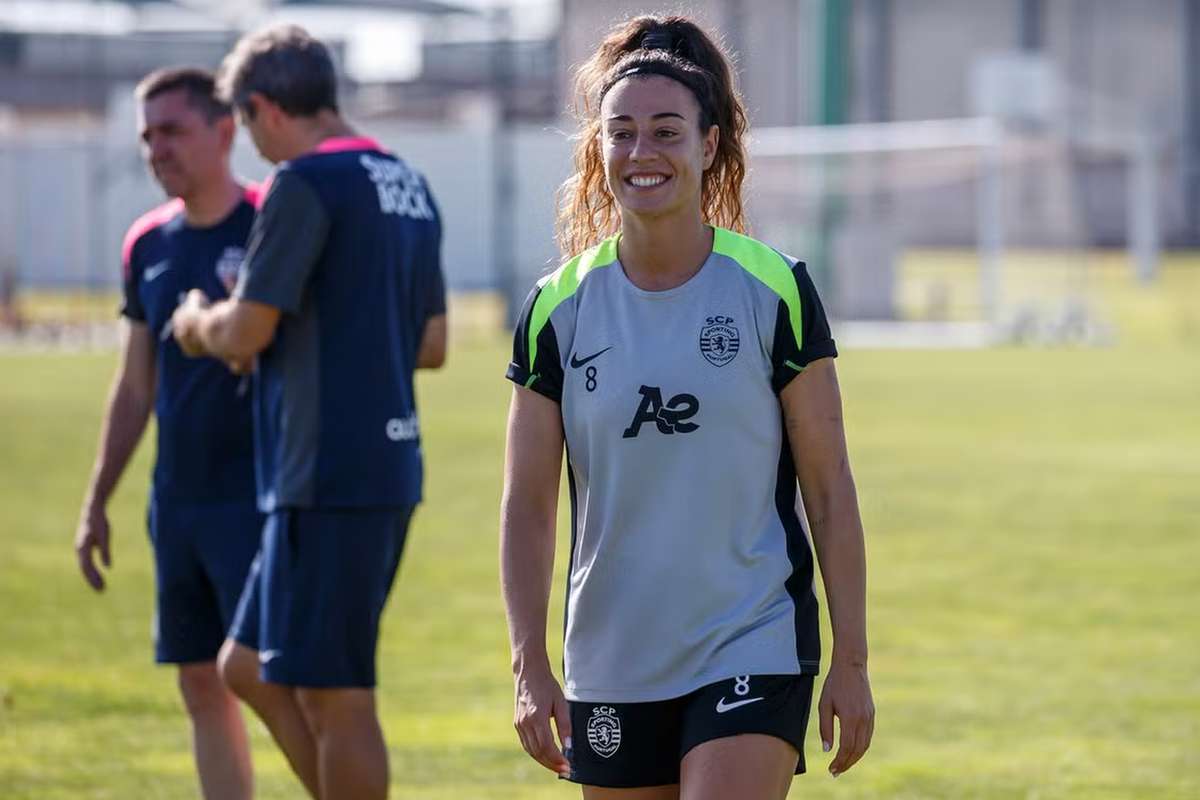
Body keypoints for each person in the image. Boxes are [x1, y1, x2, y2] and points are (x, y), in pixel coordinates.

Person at [500, 15, 874, 799]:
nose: (643, 153)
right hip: (612, 653)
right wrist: (530, 666)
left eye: (667, 132)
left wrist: (852, 660)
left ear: (708, 146)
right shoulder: (554, 310)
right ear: (598, 151)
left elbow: (830, 489)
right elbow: (527, 507)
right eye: (623, 133)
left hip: (751, 638)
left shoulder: (774, 290)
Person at [170, 25, 447, 800]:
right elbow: (432, 343)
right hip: (373, 463)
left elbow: (246, 330)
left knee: (336, 694)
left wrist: (196, 320)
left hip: (328, 470)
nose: (254, 144)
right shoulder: (407, 183)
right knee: (247, 668)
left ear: (262, 108)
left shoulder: (304, 183)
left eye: (248, 126)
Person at [73, 67, 262, 800]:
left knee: (284, 684)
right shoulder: (145, 243)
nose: (156, 148)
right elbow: (134, 385)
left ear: (224, 131)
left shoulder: (273, 220)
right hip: (178, 503)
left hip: (264, 496)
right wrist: (97, 500)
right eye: (147, 135)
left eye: (172, 130)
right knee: (199, 683)